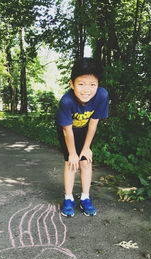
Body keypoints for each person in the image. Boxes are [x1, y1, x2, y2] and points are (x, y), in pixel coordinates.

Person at [55, 57, 109, 217]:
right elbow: (67, 130)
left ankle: (85, 198)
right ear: (72, 84)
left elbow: (93, 123)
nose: (87, 90)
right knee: (71, 163)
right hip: (67, 130)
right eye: (81, 84)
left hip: (85, 130)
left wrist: (85, 148)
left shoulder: (102, 96)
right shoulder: (66, 101)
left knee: (85, 161)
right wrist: (72, 153)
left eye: (93, 84)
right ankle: (68, 198)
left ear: (98, 84)